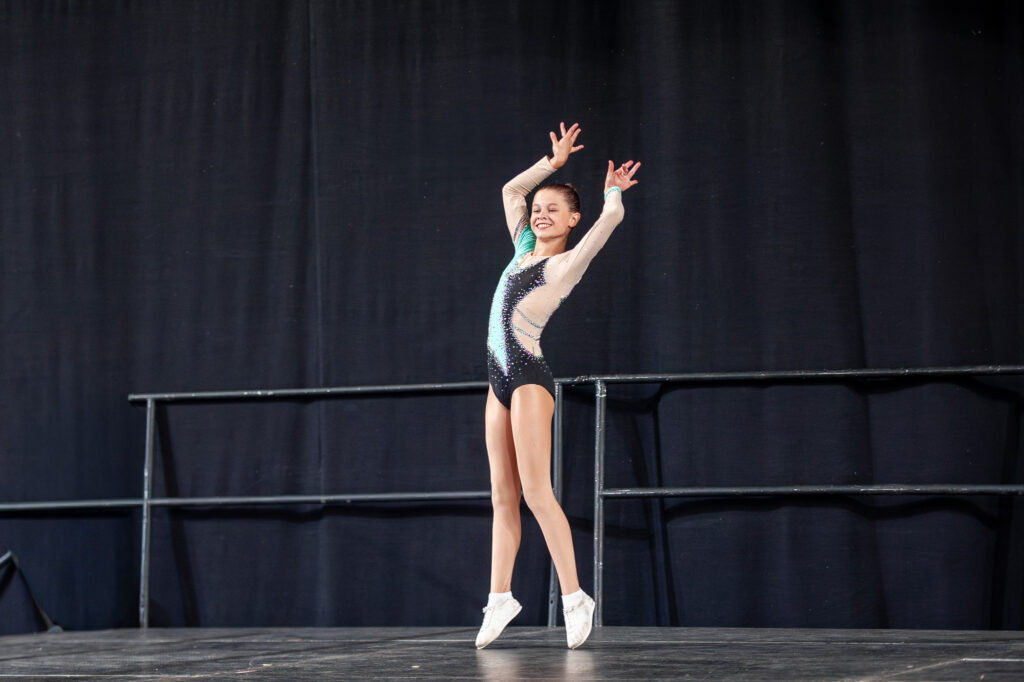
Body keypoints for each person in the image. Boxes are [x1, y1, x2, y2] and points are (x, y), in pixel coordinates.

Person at [476, 122, 640, 649]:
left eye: (553, 209)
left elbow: (609, 220)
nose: (540, 214)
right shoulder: (522, 245)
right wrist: (552, 164)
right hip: (498, 382)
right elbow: (512, 191)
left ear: (573, 220)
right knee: (503, 496)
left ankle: (574, 596)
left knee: (536, 492)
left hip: (529, 377)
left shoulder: (566, 264)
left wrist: (611, 193)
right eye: (538, 208)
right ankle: (500, 597)